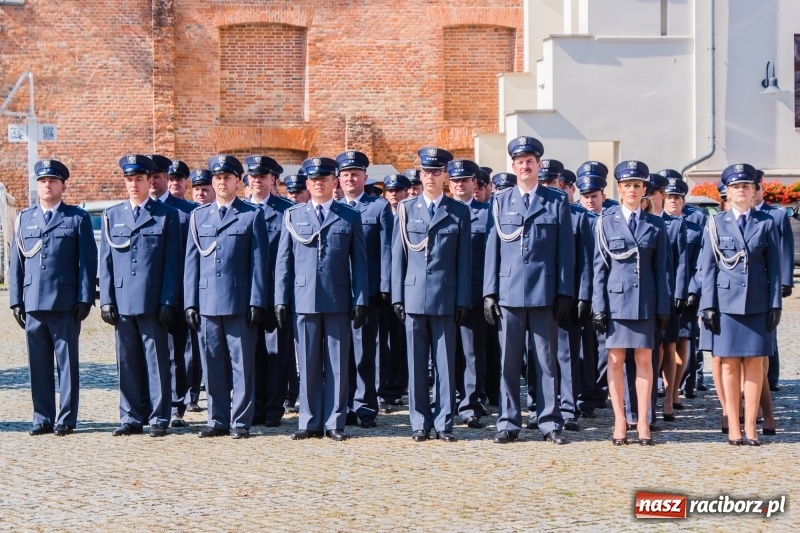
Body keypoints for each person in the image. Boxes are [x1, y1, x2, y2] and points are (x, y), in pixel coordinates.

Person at [484, 137, 575, 445]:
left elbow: (566, 250)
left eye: (530, 161)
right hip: (509, 293)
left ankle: (550, 421)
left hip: (544, 292)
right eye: (520, 161)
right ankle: (508, 422)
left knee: (547, 362)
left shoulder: (556, 200)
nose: (525, 166)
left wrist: (565, 292)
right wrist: (489, 292)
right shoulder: (500, 201)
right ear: (513, 166)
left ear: (538, 165)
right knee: (508, 362)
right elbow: (492, 250)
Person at [275, 157, 369, 442]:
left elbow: (360, 263)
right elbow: (284, 261)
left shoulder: (348, 216)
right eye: (314, 180)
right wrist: (281, 298)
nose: (319, 183)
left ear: (334, 182)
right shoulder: (293, 216)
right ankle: (309, 420)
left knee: (338, 365)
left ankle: (334, 421)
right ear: (307, 184)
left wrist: (361, 299)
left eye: (325, 179)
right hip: (303, 299)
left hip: (338, 299)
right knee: (308, 362)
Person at [184, 154, 270, 439]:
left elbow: (259, 263)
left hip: (239, 302)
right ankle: (217, 419)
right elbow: (191, 263)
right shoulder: (198, 216)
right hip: (207, 302)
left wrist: (258, 301)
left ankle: (241, 421)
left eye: (228, 178)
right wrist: (190, 302)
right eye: (217, 178)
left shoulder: (250, 215)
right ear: (213, 181)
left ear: (237, 182)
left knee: (242, 366)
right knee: (212, 364)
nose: (222, 183)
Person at [9, 159, 98, 436]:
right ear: (37, 186)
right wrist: (15, 300)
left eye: (53, 181)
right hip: (33, 301)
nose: (47, 185)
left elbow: (87, 262)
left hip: (65, 302)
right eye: (43, 181)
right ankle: (42, 417)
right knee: (38, 365)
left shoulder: (76, 218)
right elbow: (17, 262)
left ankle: (66, 418)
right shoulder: (24, 218)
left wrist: (85, 298)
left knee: (67, 364)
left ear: (63, 186)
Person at [392, 147, 471, 442]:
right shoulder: (406, 209)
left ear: (445, 177)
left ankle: (444, 423)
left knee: (445, 365)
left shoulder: (459, 211)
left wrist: (463, 298)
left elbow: (464, 260)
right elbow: (397, 255)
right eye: (426, 172)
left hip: (446, 297)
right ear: (420, 175)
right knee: (415, 363)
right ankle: (419, 423)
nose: (430, 177)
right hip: (413, 295)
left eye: (436, 172)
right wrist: (397, 296)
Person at [699, 164, 781, 446]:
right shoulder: (714, 224)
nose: (741, 191)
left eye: (746, 186)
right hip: (726, 305)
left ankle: (750, 426)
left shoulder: (766, 224)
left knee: (755, 365)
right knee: (729, 367)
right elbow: (707, 268)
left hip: (757, 305)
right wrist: (707, 306)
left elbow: (774, 269)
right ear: (727, 192)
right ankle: (733, 424)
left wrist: (775, 305)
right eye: (736, 187)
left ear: (754, 191)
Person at [100, 154, 182, 437]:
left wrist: (168, 300)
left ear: (150, 181)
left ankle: (159, 417)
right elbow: (106, 263)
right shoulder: (112, 215)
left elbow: (173, 263)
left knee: (157, 362)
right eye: (129, 179)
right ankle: (131, 416)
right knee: (127, 361)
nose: (134, 184)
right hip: (123, 301)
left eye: (139, 179)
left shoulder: (166, 216)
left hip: (153, 301)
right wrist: (106, 299)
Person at [592, 161, 669, 446]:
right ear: (619, 190)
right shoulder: (605, 221)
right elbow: (598, 268)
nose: (632, 190)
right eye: (627, 185)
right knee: (615, 360)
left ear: (645, 190)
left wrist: (663, 307)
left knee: (645, 360)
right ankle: (620, 420)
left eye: (637, 185)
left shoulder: (656, 224)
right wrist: (597, 306)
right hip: (615, 302)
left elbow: (663, 270)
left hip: (645, 302)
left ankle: (644, 421)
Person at [336, 150, 393, 428]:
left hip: (367, 292)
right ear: (338, 178)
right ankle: (343, 404)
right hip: (336, 291)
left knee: (365, 352)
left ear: (365, 177)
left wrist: (385, 286)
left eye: (355, 174)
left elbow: (387, 249)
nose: (350, 178)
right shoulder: (332, 207)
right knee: (340, 353)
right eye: (345, 174)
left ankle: (366, 406)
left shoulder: (378, 206)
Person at [244, 154, 297, 426]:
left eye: (262, 177)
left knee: (277, 355)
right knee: (250, 355)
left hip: (277, 294)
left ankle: (274, 408)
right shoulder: (240, 210)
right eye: (253, 177)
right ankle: (253, 407)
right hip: (247, 295)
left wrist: (284, 296)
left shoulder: (286, 211)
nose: (257, 181)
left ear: (273, 180)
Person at [540, 164, 594, 430]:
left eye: (552, 181)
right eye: (543, 181)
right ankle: (539, 405)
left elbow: (585, 261)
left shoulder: (577, 216)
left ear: (562, 184)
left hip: (567, 294)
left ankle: (569, 408)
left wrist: (583, 295)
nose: (548, 185)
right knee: (538, 353)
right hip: (537, 294)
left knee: (567, 354)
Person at [147, 154, 197, 428]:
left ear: (167, 178)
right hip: (143, 293)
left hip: (176, 291)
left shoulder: (185, 211)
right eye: (149, 176)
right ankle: (149, 402)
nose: (153, 181)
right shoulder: (139, 209)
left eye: (158, 176)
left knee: (176, 349)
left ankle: (177, 404)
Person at [447, 158, 490, 428]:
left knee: (473, 352)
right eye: (456, 181)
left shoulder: (488, 213)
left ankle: (471, 402)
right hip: (443, 294)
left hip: (473, 293)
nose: (460, 185)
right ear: (449, 184)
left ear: (474, 183)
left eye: (465, 180)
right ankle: (447, 399)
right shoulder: (443, 211)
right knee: (445, 351)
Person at [663, 176, 704, 414]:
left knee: (682, 342)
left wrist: (694, 289)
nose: (674, 201)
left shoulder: (696, 227)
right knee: (663, 346)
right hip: (664, 294)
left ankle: (674, 390)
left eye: (678, 197)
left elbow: (699, 264)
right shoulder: (658, 223)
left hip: (687, 294)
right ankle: (666, 389)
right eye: (670, 197)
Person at [752, 170, 794, 393]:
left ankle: (772, 376)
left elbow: (786, 249)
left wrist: (786, 280)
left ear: (762, 187)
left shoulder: (776, 215)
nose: (754, 191)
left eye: (757, 186)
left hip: (772, 279)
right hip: (755, 280)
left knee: (770, 328)